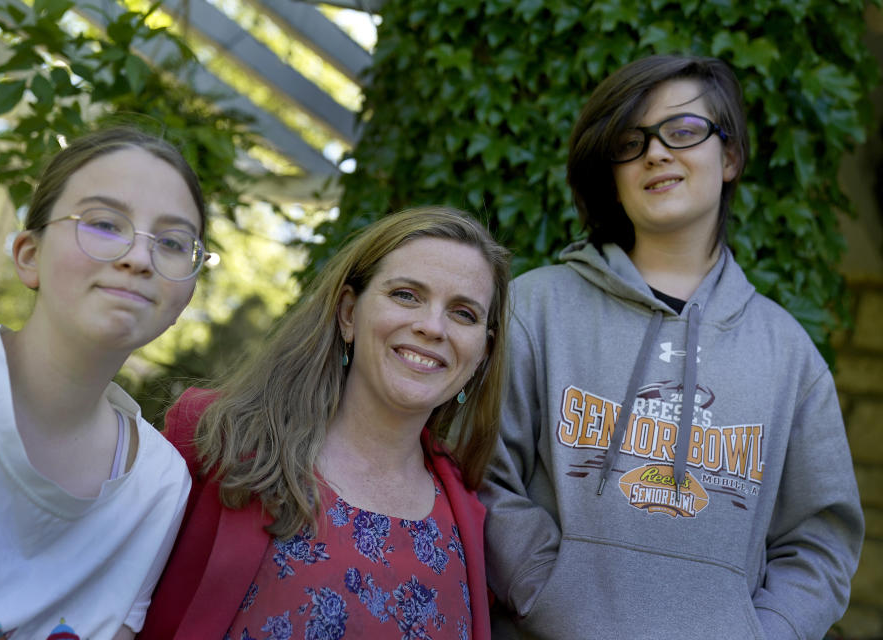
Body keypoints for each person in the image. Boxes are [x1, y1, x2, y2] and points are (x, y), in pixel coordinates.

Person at [480, 55, 864, 639]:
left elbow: (820, 542)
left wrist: (763, 633)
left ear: (729, 157)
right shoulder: (535, 309)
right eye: (630, 142)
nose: (656, 153)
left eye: (682, 132)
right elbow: (484, 477)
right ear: (612, 171)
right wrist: (547, 596)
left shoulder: (788, 355)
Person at [140, 206, 510, 639]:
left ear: (482, 353)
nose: (432, 326)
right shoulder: (217, 438)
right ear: (349, 314)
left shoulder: (471, 512)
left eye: (463, 313)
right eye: (407, 295)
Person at [0, 127, 209, 639]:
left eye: (171, 242)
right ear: (29, 254)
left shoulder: (159, 486)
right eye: (103, 223)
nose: (139, 258)